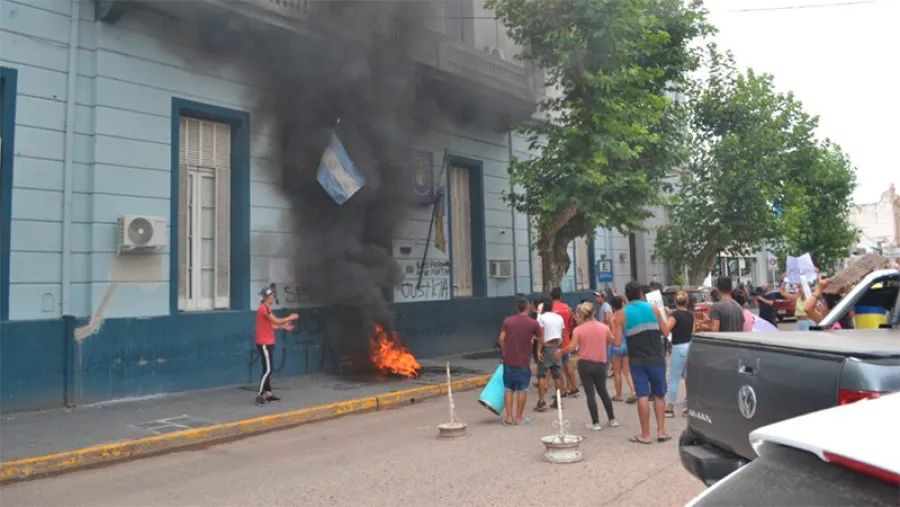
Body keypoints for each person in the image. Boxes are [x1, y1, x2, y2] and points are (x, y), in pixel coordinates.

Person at [611, 281, 671, 444]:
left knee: (643, 395)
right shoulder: (653, 309)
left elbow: (617, 343)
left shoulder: (621, 315)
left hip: (637, 360)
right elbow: (666, 332)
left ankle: (645, 434)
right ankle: (661, 431)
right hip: (657, 357)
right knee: (659, 394)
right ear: (641, 294)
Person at [557, 302, 618, 430]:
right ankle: (612, 419)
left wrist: (561, 351)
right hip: (601, 364)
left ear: (582, 315)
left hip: (585, 364)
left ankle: (595, 422)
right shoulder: (603, 327)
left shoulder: (578, 330)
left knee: (590, 393)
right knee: (603, 391)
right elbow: (613, 341)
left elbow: (572, 347)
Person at [498, 298, 543, 426]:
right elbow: (541, 339)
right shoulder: (533, 323)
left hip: (508, 361)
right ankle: (519, 418)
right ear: (528, 308)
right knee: (522, 390)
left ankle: (508, 417)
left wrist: (505, 350)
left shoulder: (508, 321)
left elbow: (501, 338)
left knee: (508, 389)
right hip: (523, 361)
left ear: (517, 308)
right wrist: (538, 350)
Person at [255, 286, 299, 406]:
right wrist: (290, 317)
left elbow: (272, 326)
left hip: (268, 343)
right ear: (268, 297)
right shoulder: (264, 309)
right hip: (264, 344)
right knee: (268, 370)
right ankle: (260, 395)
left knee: (267, 369)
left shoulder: (265, 309)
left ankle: (268, 393)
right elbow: (276, 321)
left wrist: (283, 327)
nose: (274, 298)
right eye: (272, 296)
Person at [665, 291, 694, 418]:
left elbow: (665, 330)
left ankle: (670, 407)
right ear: (686, 302)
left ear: (675, 302)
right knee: (689, 378)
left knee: (674, 379)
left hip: (678, 347)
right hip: (690, 346)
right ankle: (690, 406)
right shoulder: (690, 315)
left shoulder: (674, 316)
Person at [535, 297, 566, 412]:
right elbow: (563, 334)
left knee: (542, 375)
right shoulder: (559, 318)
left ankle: (542, 401)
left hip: (546, 348)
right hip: (556, 347)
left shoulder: (542, 318)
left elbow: (540, 335)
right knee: (557, 374)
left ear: (543, 307)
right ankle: (558, 400)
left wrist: (538, 350)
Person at [550, 288, 580, 398]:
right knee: (567, 364)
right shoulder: (567, 308)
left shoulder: (549, 309)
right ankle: (574, 387)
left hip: (554, 341)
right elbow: (571, 323)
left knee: (558, 367)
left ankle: (562, 391)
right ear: (561, 297)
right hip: (566, 340)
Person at [608, 294, 637, 403]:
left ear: (612, 306)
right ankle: (633, 390)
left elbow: (613, 334)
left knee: (617, 372)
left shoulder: (613, 317)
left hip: (617, 346)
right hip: (627, 345)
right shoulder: (626, 315)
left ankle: (619, 395)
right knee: (627, 371)